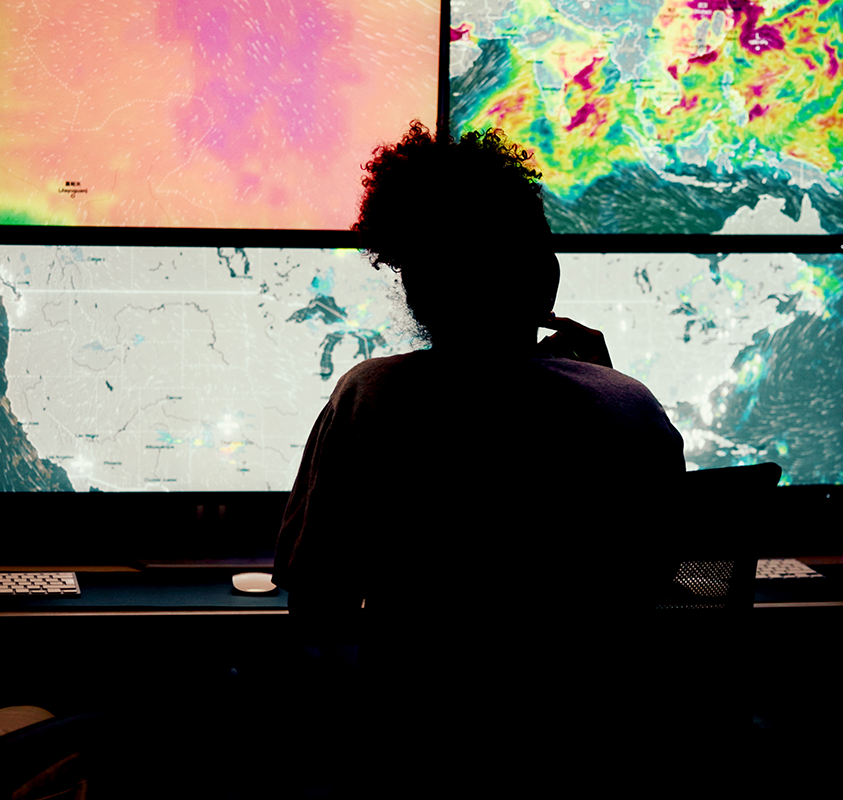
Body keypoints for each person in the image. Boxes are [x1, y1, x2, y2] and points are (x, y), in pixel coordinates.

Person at [273, 122, 686, 797]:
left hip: (418, 760)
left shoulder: (369, 397)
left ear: (415, 289)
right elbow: (656, 575)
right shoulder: (628, 405)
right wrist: (605, 387)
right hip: (587, 763)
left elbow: (317, 603)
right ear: (543, 275)